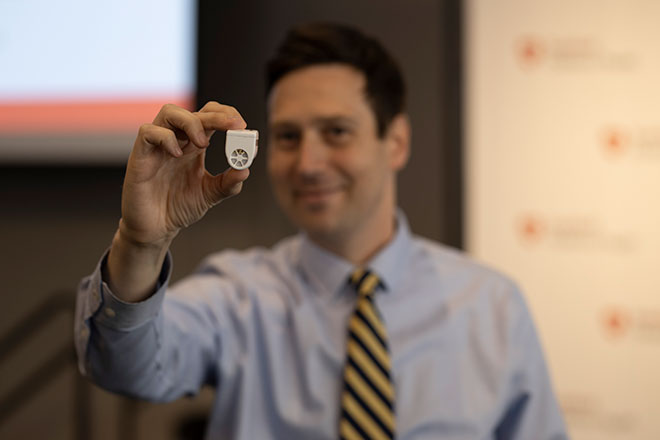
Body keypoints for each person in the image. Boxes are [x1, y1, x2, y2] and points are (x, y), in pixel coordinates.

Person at [74, 22, 568, 439]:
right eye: (288, 136)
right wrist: (142, 242)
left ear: (395, 142)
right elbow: (121, 368)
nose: (308, 164)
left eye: (336, 132)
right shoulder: (237, 297)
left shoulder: (493, 306)